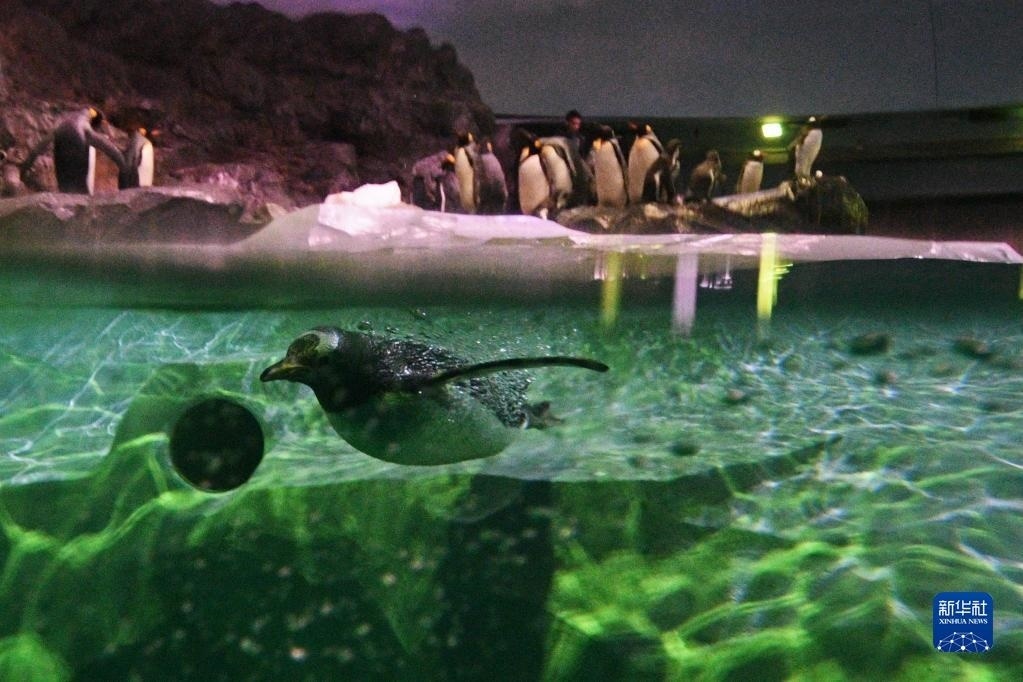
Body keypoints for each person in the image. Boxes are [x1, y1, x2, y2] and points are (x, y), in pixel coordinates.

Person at [21, 107, 126, 194]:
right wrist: (123, 165)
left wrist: (25, 167)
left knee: (64, 189)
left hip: (61, 159)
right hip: (78, 157)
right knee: (79, 190)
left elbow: (38, 149)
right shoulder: (84, 125)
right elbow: (110, 148)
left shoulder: (61, 125)